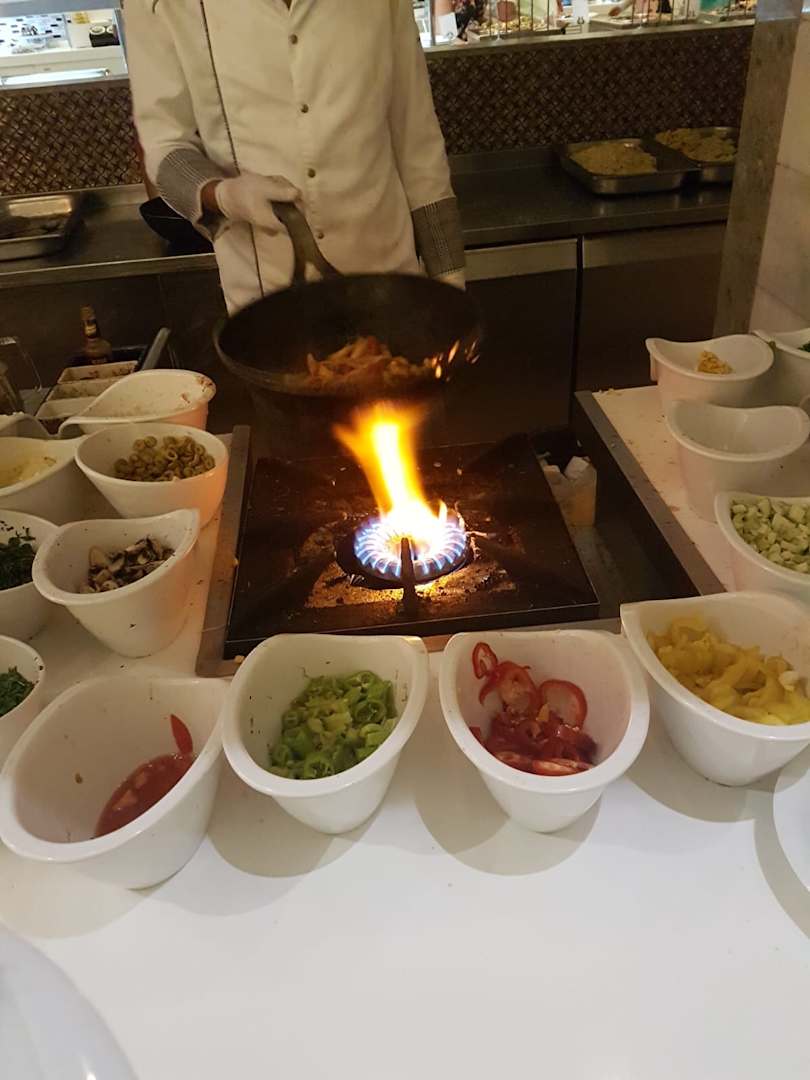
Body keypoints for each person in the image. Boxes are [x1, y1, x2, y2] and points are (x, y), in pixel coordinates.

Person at [125, 1, 466, 313]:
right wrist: (224, 195)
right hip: (267, 300)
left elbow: (416, 137)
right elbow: (164, 147)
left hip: (389, 279)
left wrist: (450, 284)